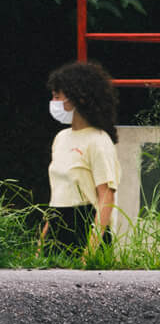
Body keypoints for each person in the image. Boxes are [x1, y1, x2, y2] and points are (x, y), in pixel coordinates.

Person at [41, 61, 120, 258]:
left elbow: (106, 197)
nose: (54, 101)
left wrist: (91, 249)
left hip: (84, 226)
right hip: (58, 228)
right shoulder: (61, 138)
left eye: (57, 96)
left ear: (80, 98)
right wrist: (41, 245)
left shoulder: (99, 140)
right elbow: (58, 196)